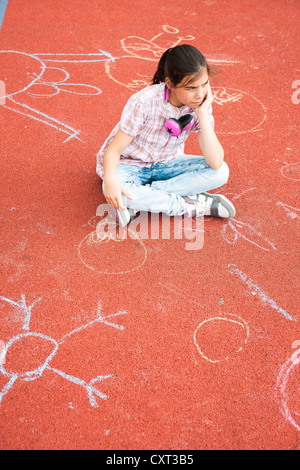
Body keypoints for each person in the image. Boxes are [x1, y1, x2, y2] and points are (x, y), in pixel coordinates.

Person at [96, 44, 235, 227]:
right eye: (191, 88)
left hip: (166, 165)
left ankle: (140, 199)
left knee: (221, 172)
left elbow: (215, 162)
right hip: (129, 166)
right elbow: (112, 151)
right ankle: (188, 206)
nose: (200, 94)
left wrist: (201, 114)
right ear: (170, 84)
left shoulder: (199, 104)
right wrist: (112, 179)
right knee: (110, 185)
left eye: (205, 84)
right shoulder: (143, 103)